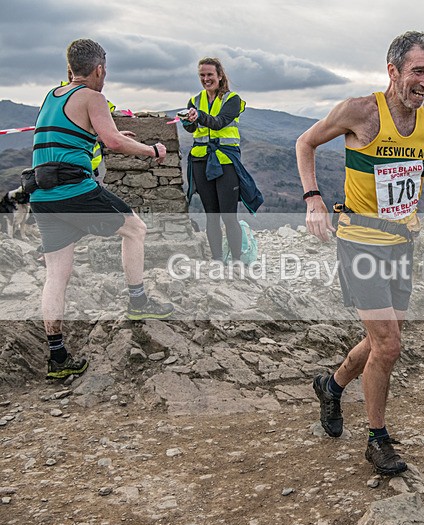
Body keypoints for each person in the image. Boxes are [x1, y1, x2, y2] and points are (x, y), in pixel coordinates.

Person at [296, 31, 424, 475]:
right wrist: (313, 198)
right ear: (393, 71)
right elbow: (305, 143)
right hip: (360, 241)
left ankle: (330, 386)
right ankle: (377, 438)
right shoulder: (360, 111)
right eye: (417, 71)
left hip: (402, 242)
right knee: (389, 344)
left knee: (377, 340)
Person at [30, 38, 174, 380]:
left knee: (56, 275)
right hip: (75, 190)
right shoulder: (94, 97)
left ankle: (57, 357)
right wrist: (151, 150)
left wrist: (98, 134)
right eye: (104, 72)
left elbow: (68, 136)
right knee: (135, 228)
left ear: (69, 70)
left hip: (43, 195)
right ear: (98, 69)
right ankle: (138, 303)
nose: (104, 78)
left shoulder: (52, 95)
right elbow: (114, 142)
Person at [181, 57, 263, 262]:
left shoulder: (232, 99)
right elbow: (192, 129)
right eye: (202, 75)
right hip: (201, 161)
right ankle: (217, 260)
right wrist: (187, 121)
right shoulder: (195, 100)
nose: (206, 79)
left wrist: (197, 115)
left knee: (228, 216)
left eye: (210, 75)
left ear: (219, 76)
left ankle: (236, 261)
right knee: (211, 216)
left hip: (225, 161)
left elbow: (218, 123)